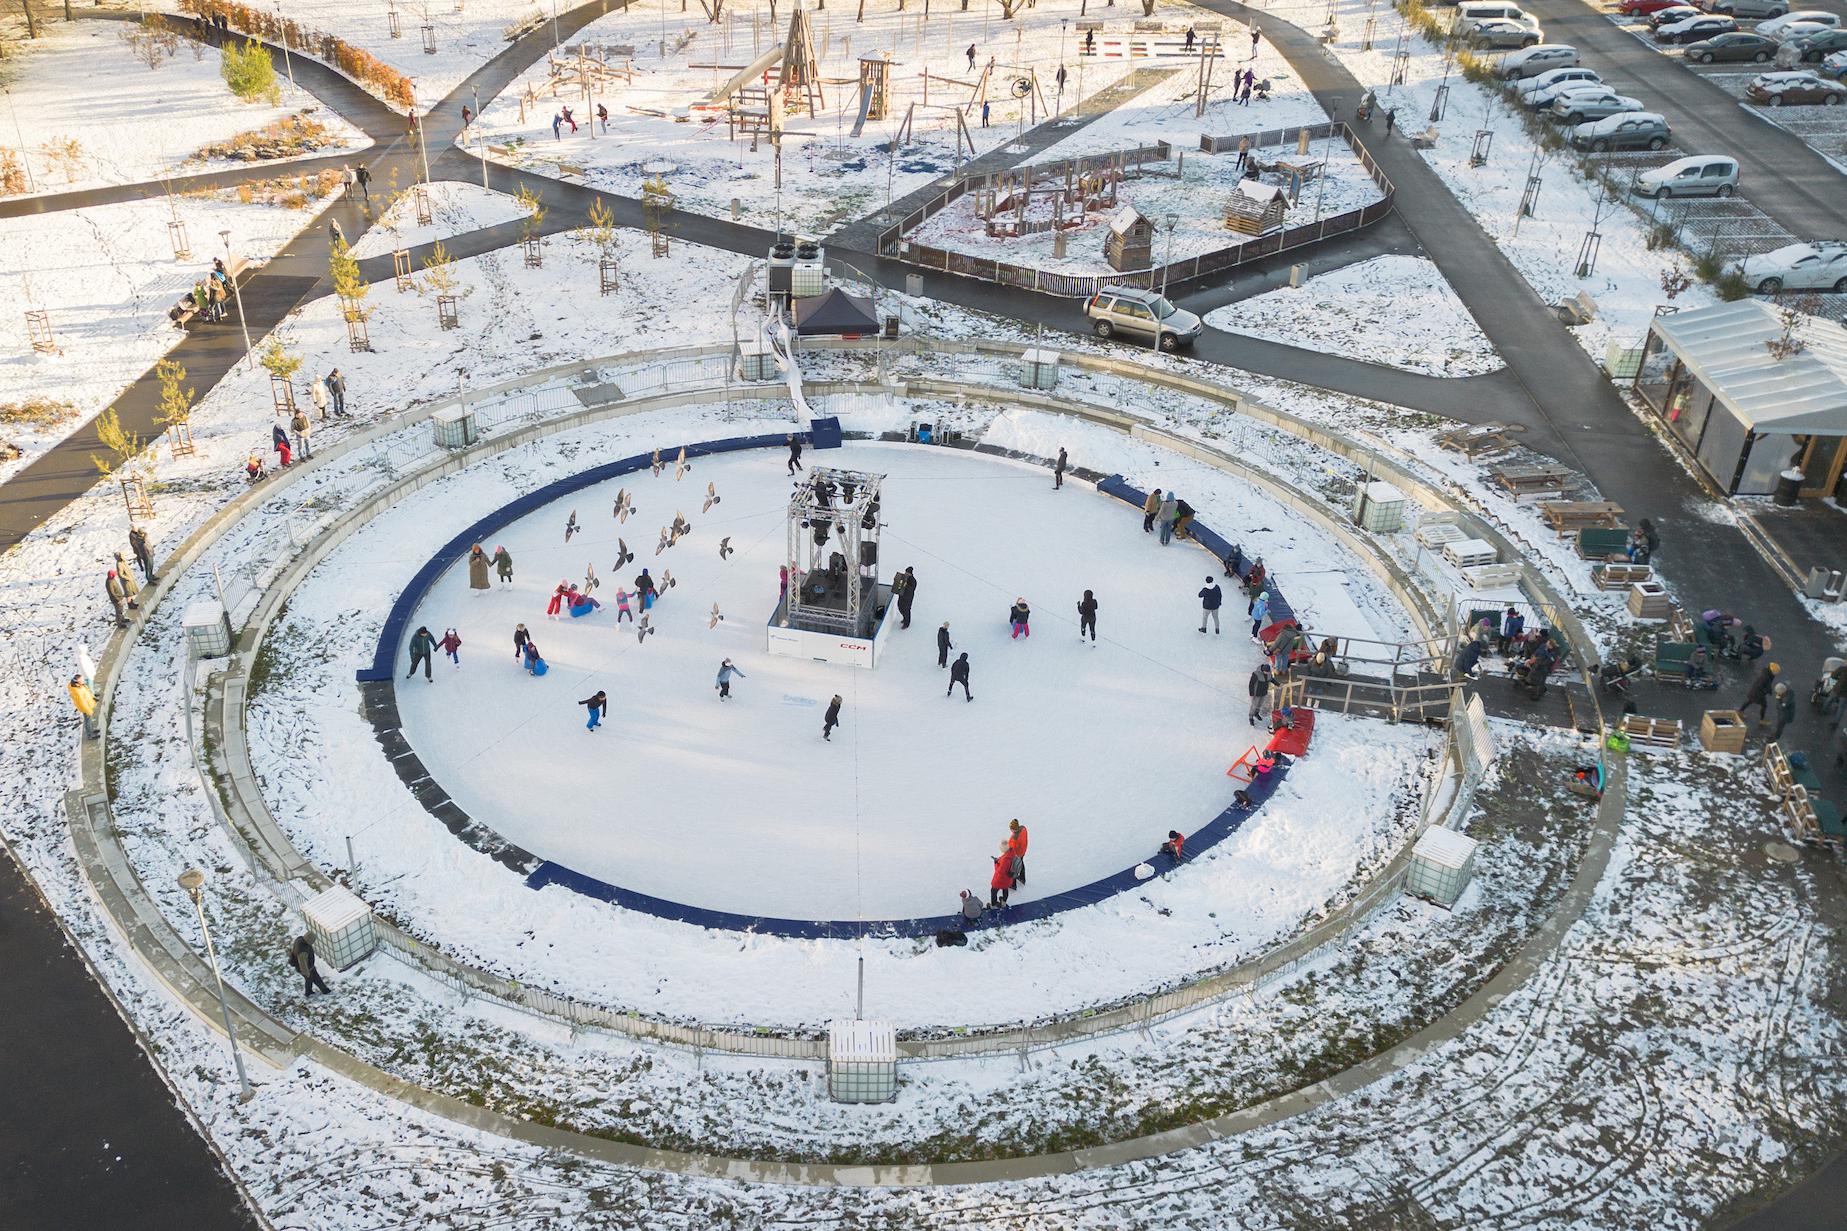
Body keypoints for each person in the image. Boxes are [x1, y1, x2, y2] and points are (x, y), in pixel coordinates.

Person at [69, 673, 100, 739]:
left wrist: (92, 698)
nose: (83, 680)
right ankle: (90, 735)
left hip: (88, 704)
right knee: (88, 720)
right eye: (82, 680)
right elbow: (82, 703)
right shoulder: (77, 691)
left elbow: (87, 692)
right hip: (86, 708)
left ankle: (91, 730)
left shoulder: (79, 686)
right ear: (78, 681)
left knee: (89, 719)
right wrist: (88, 711)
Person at [989, 839, 1014, 908]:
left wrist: (996, 863)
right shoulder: (1011, 853)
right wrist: (998, 860)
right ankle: (1004, 902)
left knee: (993, 891)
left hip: (1001, 879)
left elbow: (1000, 871)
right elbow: (1004, 859)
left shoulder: (1006, 859)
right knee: (1005, 889)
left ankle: (993, 905)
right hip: (1009, 878)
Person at [1248, 663, 1272, 727]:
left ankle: (1256, 713)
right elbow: (1251, 684)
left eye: (1268, 672)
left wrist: (1278, 684)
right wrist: (1251, 694)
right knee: (1254, 706)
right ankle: (1251, 717)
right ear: (1263, 670)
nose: (1267, 673)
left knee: (1260, 705)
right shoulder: (1255, 674)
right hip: (1256, 694)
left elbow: (1271, 679)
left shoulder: (1268, 673)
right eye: (1266, 672)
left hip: (1264, 692)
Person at [1006, 819, 1028, 887]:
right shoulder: (1023, 829)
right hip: (1023, 851)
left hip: (1016, 854)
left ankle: (1013, 885)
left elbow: (1012, 849)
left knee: (1013, 868)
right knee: (1021, 863)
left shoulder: (1015, 838)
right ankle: (1022, 878)